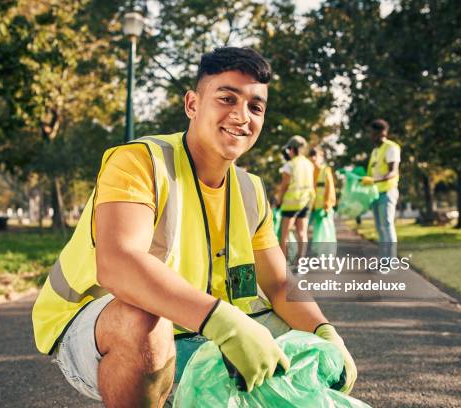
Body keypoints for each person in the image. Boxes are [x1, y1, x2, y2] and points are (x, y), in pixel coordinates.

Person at [31, 47, 356, 407]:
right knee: (143, 321)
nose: (241, 115)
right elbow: (118, 262)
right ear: (192, 104)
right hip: (95, 325)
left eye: (255, 106)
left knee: (305, 363)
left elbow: (278, 284)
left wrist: (325, 334)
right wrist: (225, 323)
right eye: (227, 98)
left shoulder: (250, 190)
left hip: (198, 328)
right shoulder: (140, 162)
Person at [361, 119, 401, 257]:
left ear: (381, 133)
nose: (370, 136)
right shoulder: (375, 151)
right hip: (376, 194)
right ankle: (383, 261)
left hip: (387, 192)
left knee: (387, 227)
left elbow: (393, 171)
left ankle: (390, 262)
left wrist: (374, 180)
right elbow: (370, 174)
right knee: (380, 229)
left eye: (372, 133)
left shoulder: (391, 148)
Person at [276, 135, 315, 261]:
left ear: (292, 149)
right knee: (302, 234)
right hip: (305, 202)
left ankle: (284, 263)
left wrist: (279, 200)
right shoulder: (309, 164)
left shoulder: (289, 165)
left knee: (285, 235)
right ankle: (300, 263)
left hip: (291, 204)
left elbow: (284, 186)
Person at [308, 145, 337, 242]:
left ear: (321, 156)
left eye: (315, 155)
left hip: (324, 209)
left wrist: (327, 205)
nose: (313, 158)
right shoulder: (310, 171)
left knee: (326, 233)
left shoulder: (325, 170)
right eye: (311, 155)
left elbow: (330, 189)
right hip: (313, 208)